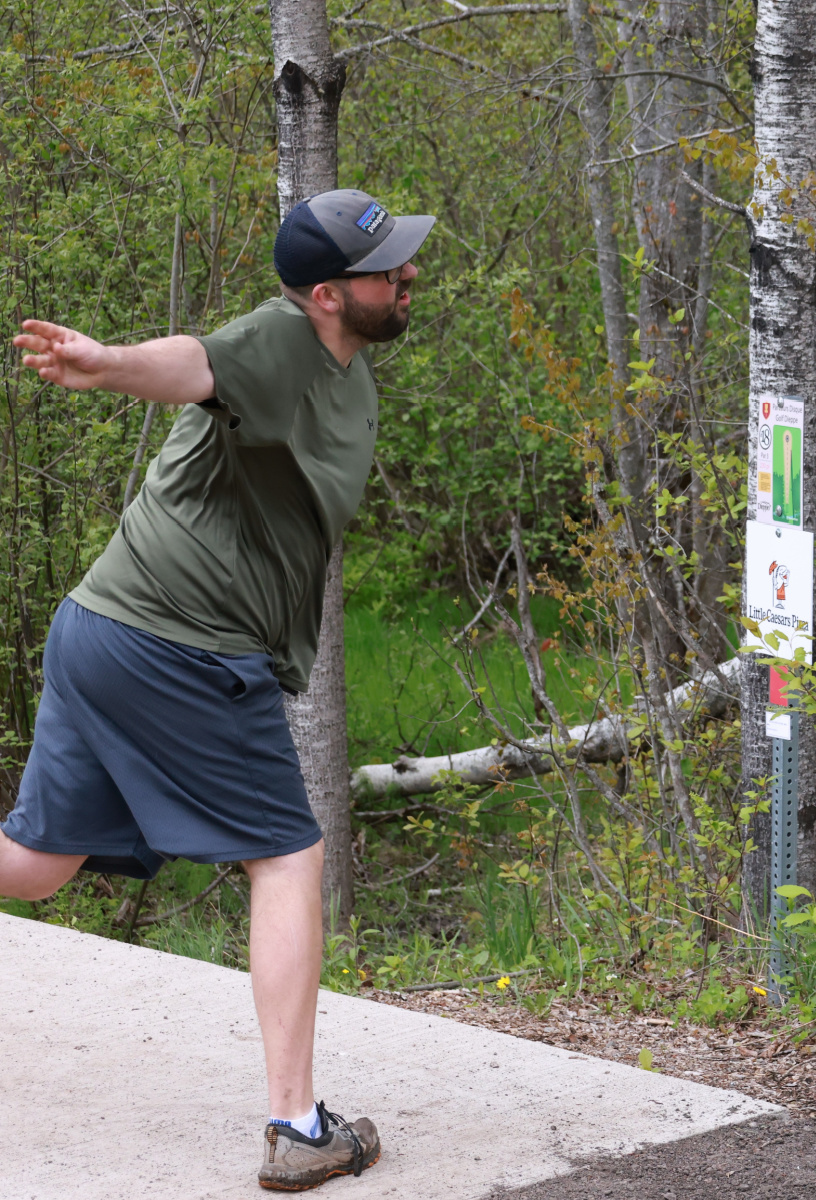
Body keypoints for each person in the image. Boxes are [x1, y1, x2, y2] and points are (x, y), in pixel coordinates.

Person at [2, 189, 434, 1191]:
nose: (409, 275)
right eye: (387, 270)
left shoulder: (344, 365)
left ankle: (297, 1118)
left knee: (36, 866)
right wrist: (108, 362)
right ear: (327, 294)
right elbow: (194, 363)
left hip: (101, 628)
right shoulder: (282, 340)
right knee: (286, 855)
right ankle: (298, 1126)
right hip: (177, 648)